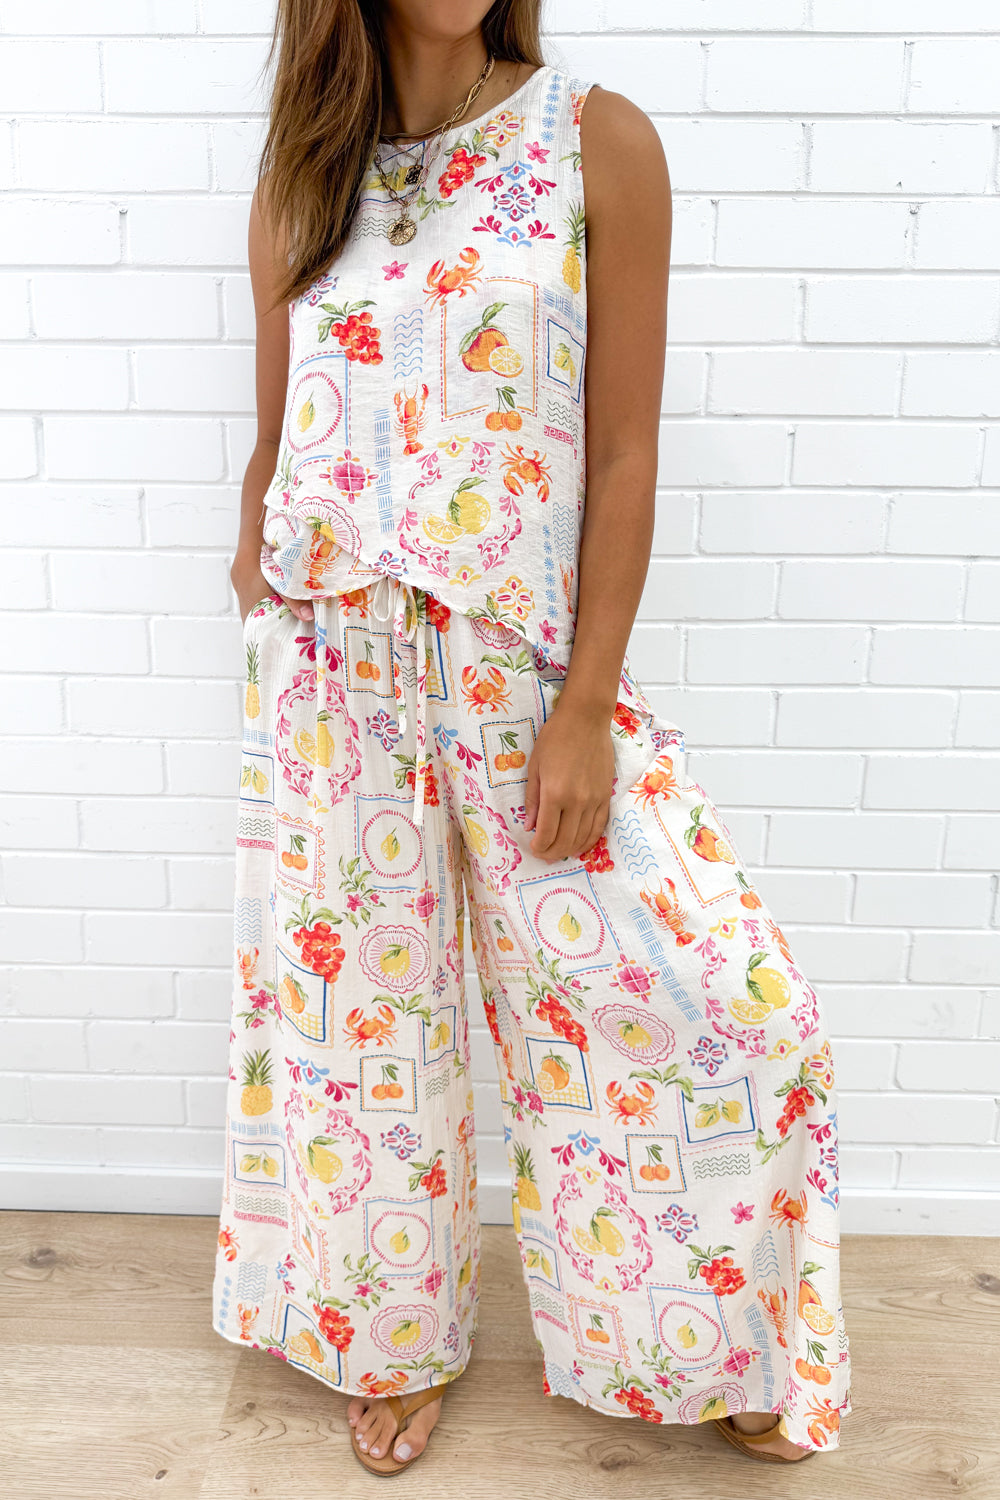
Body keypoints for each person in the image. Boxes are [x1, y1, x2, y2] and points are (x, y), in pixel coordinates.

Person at [212, 0, 852, 1476]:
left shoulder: (594, 140)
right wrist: (256, 568)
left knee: (726, 1003)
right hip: (330, 665)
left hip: (519, 667)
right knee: (359, 1036)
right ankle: (388, 1334)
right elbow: (277, 427)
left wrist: (585, 705)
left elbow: (623, 452)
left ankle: (725, 1335)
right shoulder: (302, 174)